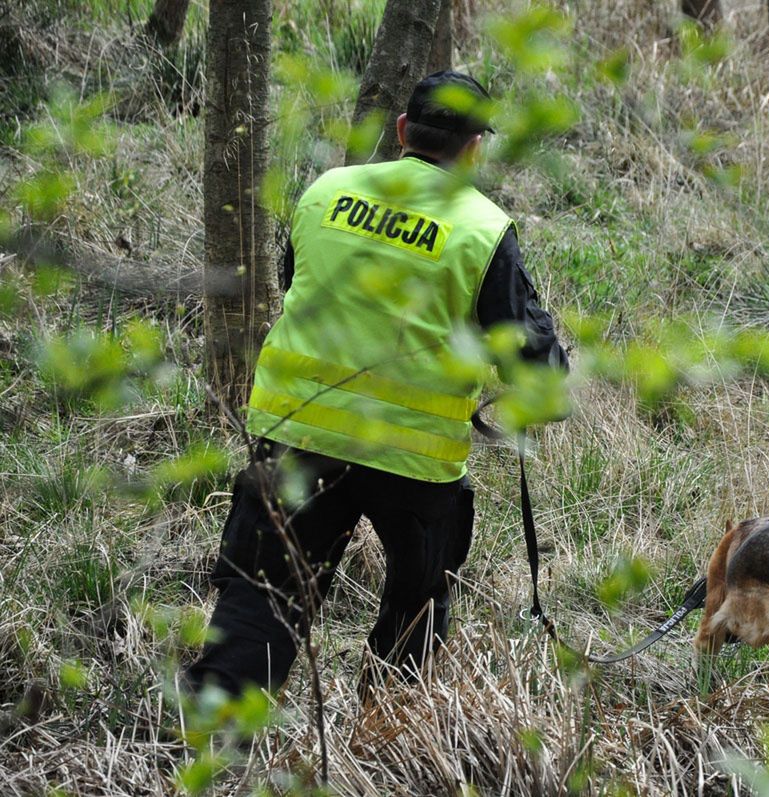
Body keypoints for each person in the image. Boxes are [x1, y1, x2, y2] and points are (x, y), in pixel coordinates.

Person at [185, 71, 568, 698]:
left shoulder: (326, 191)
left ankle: (215, 741)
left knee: (260, 604)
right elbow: (529, 359)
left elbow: (295, 285)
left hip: (297, 435)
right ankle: (388, 729)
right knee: (418, 605)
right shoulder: (481, 226)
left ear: (400, 132)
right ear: (475, 148)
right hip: (414, 465)